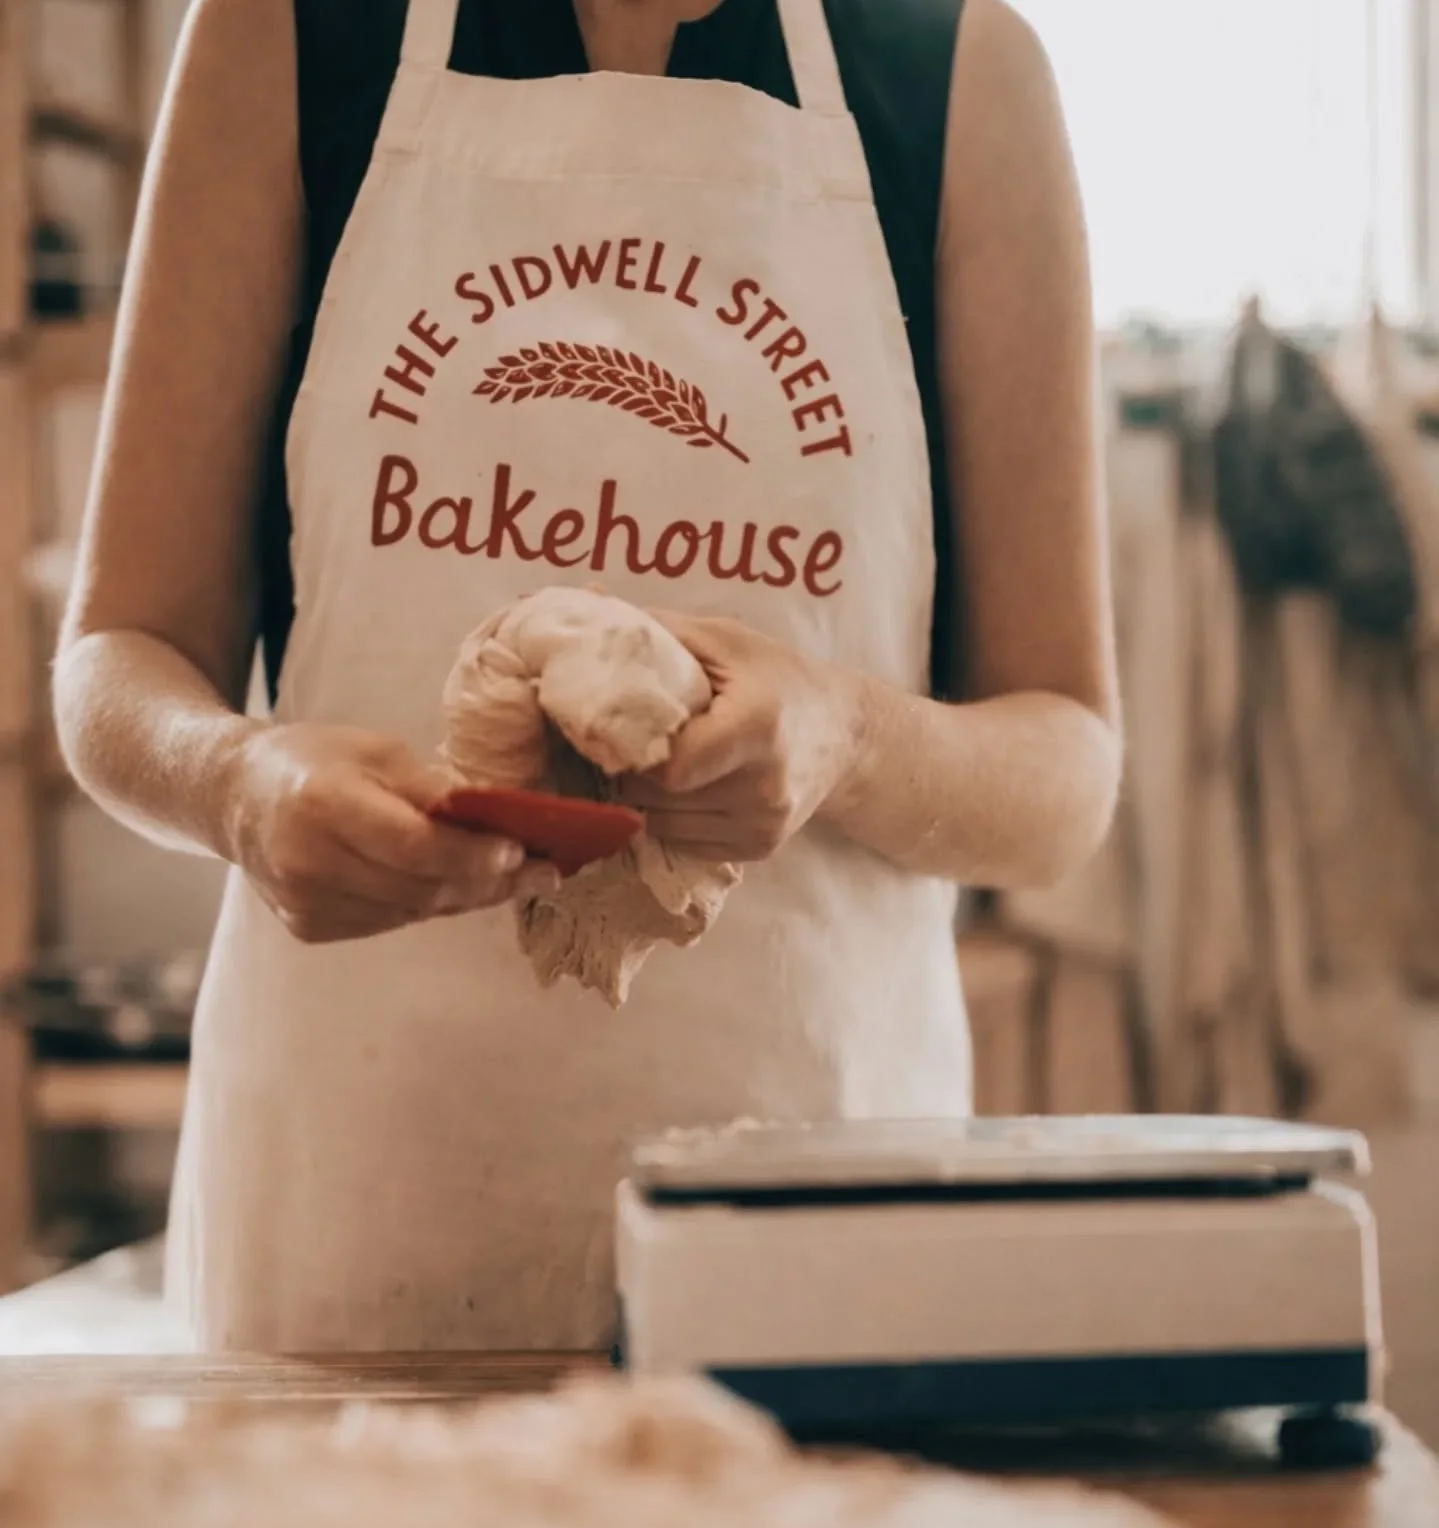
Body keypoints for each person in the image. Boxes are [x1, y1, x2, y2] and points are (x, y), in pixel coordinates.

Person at [53, 0, 1121, 1353]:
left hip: (812, 1229)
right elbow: (119, 654)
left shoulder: (959, 76)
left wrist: (845, 733)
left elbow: (1063, 768)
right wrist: (236, 784)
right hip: (363, 1216)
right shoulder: (289, 36)